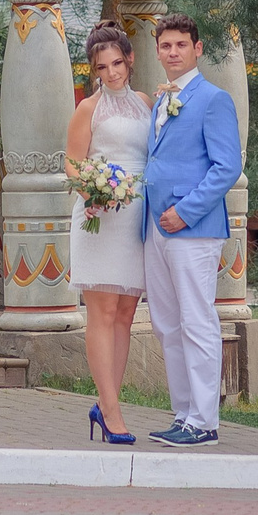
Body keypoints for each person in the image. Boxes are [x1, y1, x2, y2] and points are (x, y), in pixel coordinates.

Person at [139, 13, 241, 446]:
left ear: (197, 49)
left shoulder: (213, 99)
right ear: (158, 50)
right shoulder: (162, 100)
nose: (173, 52)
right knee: (166, 323)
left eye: (181, 44)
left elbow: (227, 167)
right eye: (166, 46)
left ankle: (205, 421)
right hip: (155, 229)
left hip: (193, 229)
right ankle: (183, 414)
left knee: (197, 321)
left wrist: (186, 211)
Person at [65, 23, 150, 444]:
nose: (112, 72)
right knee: (100, 313)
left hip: (136, 219)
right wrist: (92, 191)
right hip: (99, 217)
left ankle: (107, 403)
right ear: (94, 70)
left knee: (125, 316)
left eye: (118, 62)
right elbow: (73, 164)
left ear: (130, 60)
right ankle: (112, 411)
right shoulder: (88, 109)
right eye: (103, 67)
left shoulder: (148, 104)